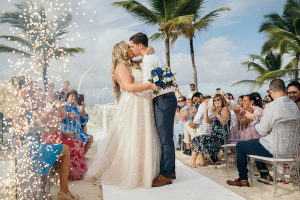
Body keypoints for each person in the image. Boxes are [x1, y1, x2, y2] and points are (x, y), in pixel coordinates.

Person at [85, 41, 161, 189]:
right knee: (132, 137)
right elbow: (128, 86)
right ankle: (132, 172)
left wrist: (149, 50)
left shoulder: (131, 64)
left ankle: (144, 170)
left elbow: (146, 57)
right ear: (123, 51)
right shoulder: (121, 67)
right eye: (129, 47)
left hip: (143, 102)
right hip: (134, 103)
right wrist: (151, 86)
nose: (132, 49)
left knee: (144, 136)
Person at [226, 79, 300, 187]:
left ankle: (243, 179)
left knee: (241, 145)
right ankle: (264, 174)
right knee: (256, 142)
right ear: (284, 90)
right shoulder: (294, 105)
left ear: (270, 91)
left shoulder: (272, 106)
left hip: (275, 149)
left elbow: (261, 130)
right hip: (292, 149)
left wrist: (254, 119)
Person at [129, 32, 177, 187]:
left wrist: (131, 92)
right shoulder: (150, 57)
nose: (131, 49)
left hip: (163, 100)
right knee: (166, 137)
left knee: (165, 139)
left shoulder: (148, 59)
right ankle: (171, 170)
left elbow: (149, 86)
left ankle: (166, 175)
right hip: (166, 99)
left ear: (140, 45)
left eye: (132, 46)